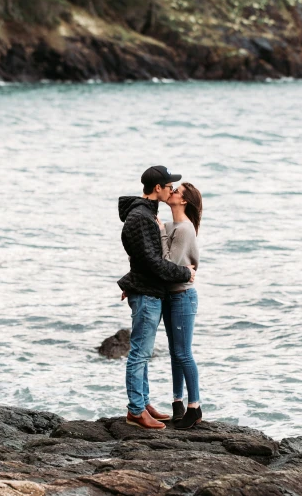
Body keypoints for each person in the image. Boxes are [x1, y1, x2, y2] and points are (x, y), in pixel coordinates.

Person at [118, 165, 195, 430]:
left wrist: (132, 280)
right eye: (169, 185)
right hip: (147, 293)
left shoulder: (148, 214)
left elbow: (140, 258)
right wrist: (184, 272)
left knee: (144, 352)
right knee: (140, 352)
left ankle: (143, 403)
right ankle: (136, 411)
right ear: (158, 188)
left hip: (150, 290)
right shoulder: (140, 217)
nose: (172, 189)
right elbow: (150, 261)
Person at [159, 182, 203, 429]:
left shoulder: (184, 229)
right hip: (169, 296)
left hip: (183, 297)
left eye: (176, 191)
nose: (171, 191)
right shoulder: (169, 226)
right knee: (175, 353)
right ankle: (177, 402)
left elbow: (168, 264)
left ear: (183, 201)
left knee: (183, 353)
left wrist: (162, 233)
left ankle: (194, 407)